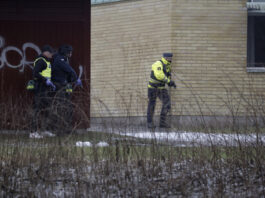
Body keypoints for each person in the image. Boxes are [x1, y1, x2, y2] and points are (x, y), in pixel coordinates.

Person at [51, 44, 82, 134]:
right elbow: (69, 70)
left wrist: (72, 80)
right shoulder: (60, 59)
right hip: (59, 86)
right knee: (62, 107)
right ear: (66, 52)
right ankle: (59, 130)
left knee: (67, 107)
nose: (71, 53)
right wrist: (76, 78)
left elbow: (67, 72)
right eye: (70, 52)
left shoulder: (63, 59)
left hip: (63, 85)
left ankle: (67, 129)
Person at [30, 45, 56, 137]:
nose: (52, 55)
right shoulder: (41, 61)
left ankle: (46, 130)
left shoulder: (47, 61)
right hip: (40, 89)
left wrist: (50, 83)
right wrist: (45, 80)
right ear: (46, 52)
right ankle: (33, 132)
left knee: (47, 110)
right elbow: (35, 73)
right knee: (36, 110)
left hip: (46, 89)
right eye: (51, 53)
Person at [147, 53, 176, 129]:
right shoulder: (158, 64)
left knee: (167, 103)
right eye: (170, 58)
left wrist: (171, 83)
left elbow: (166, 75)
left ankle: (162, 123)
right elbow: (159, 75)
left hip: (161, 88)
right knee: (152, 105)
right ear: (166, 58)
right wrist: (168, 81)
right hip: (153, 88)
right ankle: (150, 123)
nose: (171, 60)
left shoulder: (167, 66)